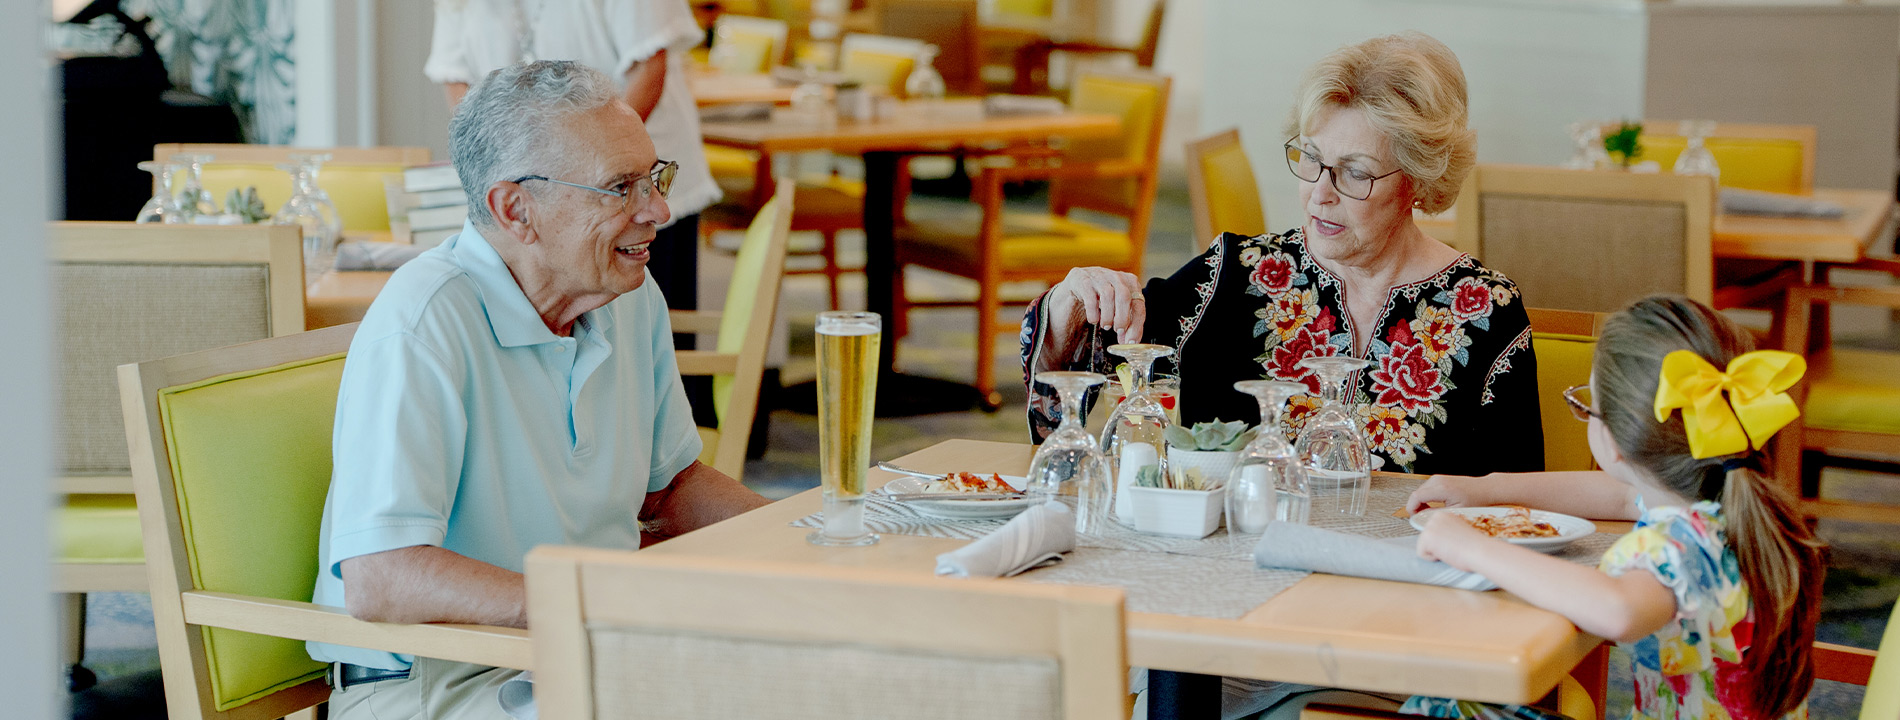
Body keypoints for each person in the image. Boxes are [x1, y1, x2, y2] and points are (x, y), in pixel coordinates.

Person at [307, 61, 771, 720]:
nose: (659, 210)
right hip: (439, 678)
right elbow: (382, 578)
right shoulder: (425, 318)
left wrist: (811, 538)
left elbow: (669, 490)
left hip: (580, 647)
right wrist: (584, 604)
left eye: (653, 177)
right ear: (515, 208)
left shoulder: (628, 298)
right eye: (621, 187)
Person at [1022, 32, 1543, 478]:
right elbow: (1095, 354)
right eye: (1311, 159)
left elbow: (1513, 504)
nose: (1321, 191)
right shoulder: (1234, 276)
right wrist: (1075, 296)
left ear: (1419, 180)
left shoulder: (1483, 309)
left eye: (1355, 172)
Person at [1405, 295, 1827, 720]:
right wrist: (1488, 489)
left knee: (1440, 706)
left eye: (1587, 407)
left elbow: (1617, 609)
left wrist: (1473, 548)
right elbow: (1619, 494)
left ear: (1616, 441)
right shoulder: (1726, 501)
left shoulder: (1672, 547)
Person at [426, 0, 720, 327]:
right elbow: (458, 84)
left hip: (637, 178)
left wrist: (598, 169)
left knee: (642, 334)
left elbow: (649, 69)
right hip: (540, 193)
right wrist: (502, 165)